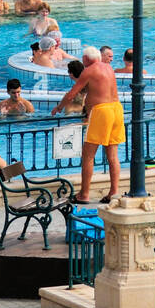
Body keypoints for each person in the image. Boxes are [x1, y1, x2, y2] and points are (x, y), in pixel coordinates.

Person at [51, 46, 124, 202]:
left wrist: (59, 107)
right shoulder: (109, 68)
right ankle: (114, 192)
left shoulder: (89, 71)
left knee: (88, 155)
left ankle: (84, 194)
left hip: (101, 112)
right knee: (112, 155)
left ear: (85, 59)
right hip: (117, 109)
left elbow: (72, 94)